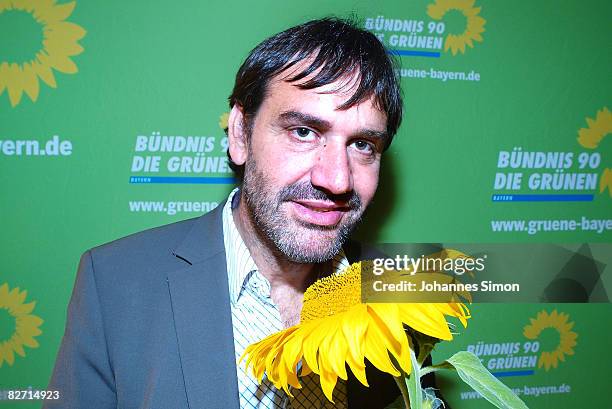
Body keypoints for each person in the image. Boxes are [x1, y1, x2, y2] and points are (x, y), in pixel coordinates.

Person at [45, 17, 438, 409]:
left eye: (363, 145)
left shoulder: (398, 289)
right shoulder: (116, 282)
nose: (336, 179)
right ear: (239, 134)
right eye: (303, 132)